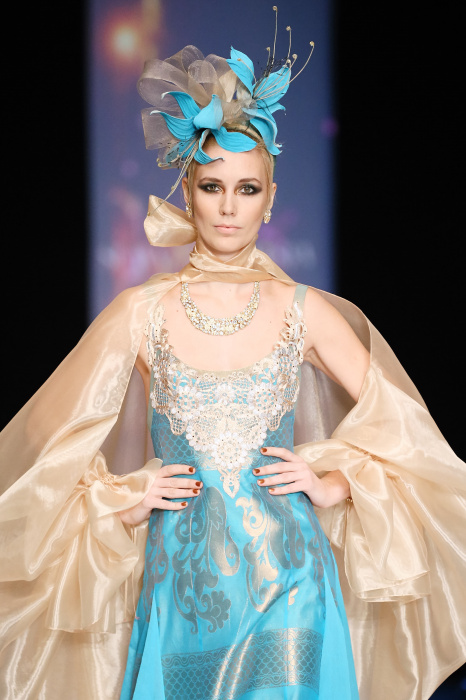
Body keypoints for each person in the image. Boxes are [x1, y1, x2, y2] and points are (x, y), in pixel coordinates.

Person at [1, 36, 465, 700]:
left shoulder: (304, 310)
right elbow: (43, 441)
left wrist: (335, 483)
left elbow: (409, 436)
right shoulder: (141, 312)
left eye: (246, 189)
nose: (227, 206)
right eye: (212, 186)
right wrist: (122, 498)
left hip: (293, 583)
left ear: (269, 199)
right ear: (187, 193)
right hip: (181, 593)